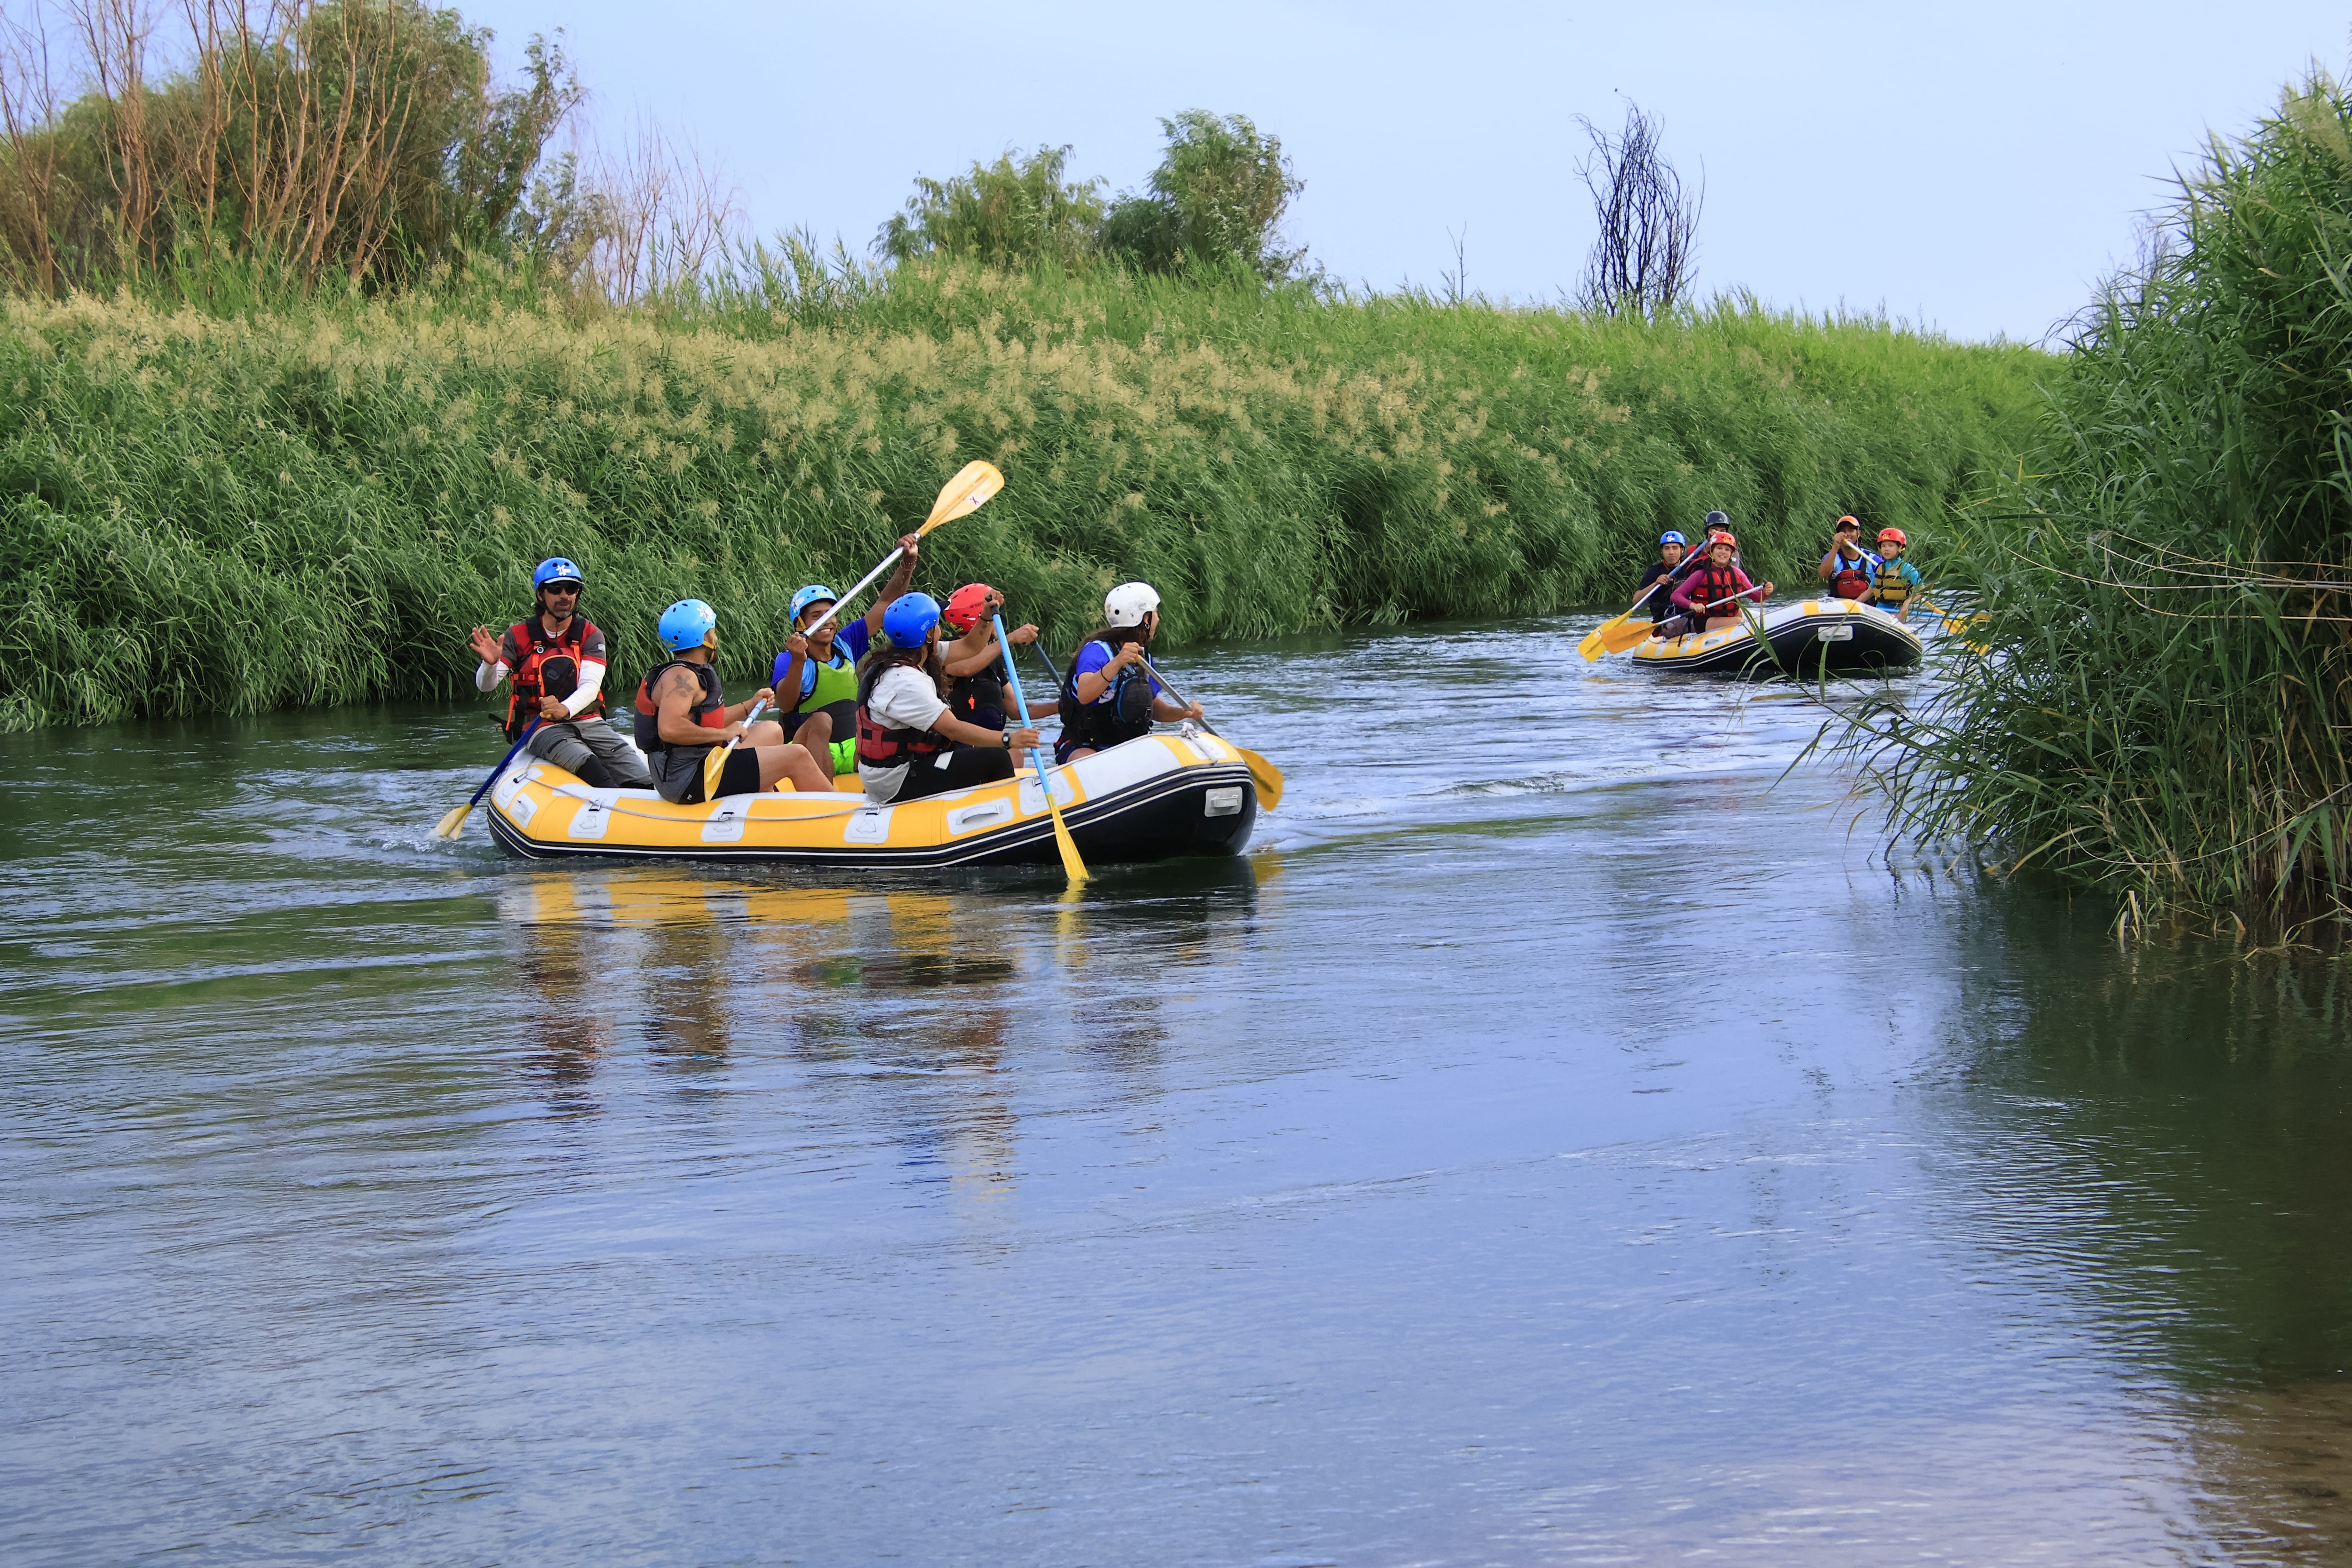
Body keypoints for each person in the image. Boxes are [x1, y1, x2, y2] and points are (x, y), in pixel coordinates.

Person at [467, 557, 652, 790]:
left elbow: (590, 686)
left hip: (588, 721)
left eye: (571, 588)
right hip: (540, 726)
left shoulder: (591, 634)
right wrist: (490, 665)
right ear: (540, 595)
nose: (564, 596)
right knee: (597, 775)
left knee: (643, 781)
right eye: (555, 589)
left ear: (578, 594)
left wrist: (564, 709)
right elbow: (487, 686)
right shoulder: (518, 635)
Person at [633, 598, 836, 804]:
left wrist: (750, 704)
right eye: (712, 631)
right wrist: (724, 733)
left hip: (699, 765)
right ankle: (839, 814)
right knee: (796, 755)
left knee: (772, 731)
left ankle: (766, 803)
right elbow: (669, 729)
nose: (716, 637)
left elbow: (707, 721)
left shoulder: (688, 671)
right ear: (703, 637)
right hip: (689, 780)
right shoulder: (682, 678)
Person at [855, 591, 1043, 804]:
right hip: (896, 781)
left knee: (973, 750)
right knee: (997, 756)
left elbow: (970, 647)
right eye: (936, 625)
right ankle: (1006, 818)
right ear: (928, 635)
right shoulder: (905, 681)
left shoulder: (912, 655)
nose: (941, 631)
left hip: (902, 766)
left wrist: (986, 617)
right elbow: (952, 728)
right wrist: (1008, 739)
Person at [769, 534, 918, 779]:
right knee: (821, 721)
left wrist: (907, 564)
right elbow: (785, 704)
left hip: (853, 749)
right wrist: (798, 661)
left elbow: (886, 604)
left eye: (832, 614)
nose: (828, 621)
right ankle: (825, 798)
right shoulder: (789, 659)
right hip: (807, 751)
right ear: (800, 624)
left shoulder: (846, 643)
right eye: (817, 616)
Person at [1056, 581, 1205, 764]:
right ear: (1145, 619)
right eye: (1155, 613)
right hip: (1085, 746)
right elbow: (1085, 694)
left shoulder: (1143, 658)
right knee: (1094, 762)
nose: (1158, 619)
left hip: (1128, 745)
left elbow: (1154, 708)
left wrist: (1184, 713)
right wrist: (1118, 662)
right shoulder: (1097, 651)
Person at [940, 582, 1059, 733]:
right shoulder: (946, 649)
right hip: (958, 745)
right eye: (995, 616)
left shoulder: (992, 658)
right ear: (979, 617)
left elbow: (1017, 710)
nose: (999, 623)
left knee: (1015, 751)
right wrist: (1009, 639)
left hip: (991, 746)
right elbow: (966, 668)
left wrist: (1060, 706)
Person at [1669, 533, 1774, 631]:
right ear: (1711, 552)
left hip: (1729, 617)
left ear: (1732, 554)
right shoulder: (1700, 574)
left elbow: (1756, 597)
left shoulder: (1738, 574)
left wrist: (1766, 592)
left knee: (1739, 617)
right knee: (1739, 621)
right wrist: (1693, 605)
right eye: (1719, 548)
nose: (1723, 552)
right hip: (1706, 620)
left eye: (1727, 550)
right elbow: (1676, 596)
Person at [1636, 532, 1688, 632]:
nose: (1671, 552)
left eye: (1675, 548)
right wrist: (1656, 584)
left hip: (1687, 616)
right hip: (1662, 622)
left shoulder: (1690, 567)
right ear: (1662, 552)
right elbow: (1636, 600)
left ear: (1682, 550)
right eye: (1667, 548)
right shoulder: (1655, 571)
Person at [1818, 515, 1879, 601]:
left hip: (1867, 607)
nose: (1847, 534)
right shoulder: (1833, 557)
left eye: (1851, 530)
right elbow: (1823, 574)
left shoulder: (1872, 559)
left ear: (1858, 534)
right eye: (1843, 531)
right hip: (1839, 607)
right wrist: (1836, 546)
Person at [1873, 527, 1924, 621]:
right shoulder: (1880, 568)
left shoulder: (1907, 569)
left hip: (1898, 610)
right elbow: (1870, 590)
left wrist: (1908, 603)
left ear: (1900, 548)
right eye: (1883, 546)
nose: (1886, 549)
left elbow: (1923, 591)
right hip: (1880, 609)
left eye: (1891, 546)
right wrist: (1855, 603)